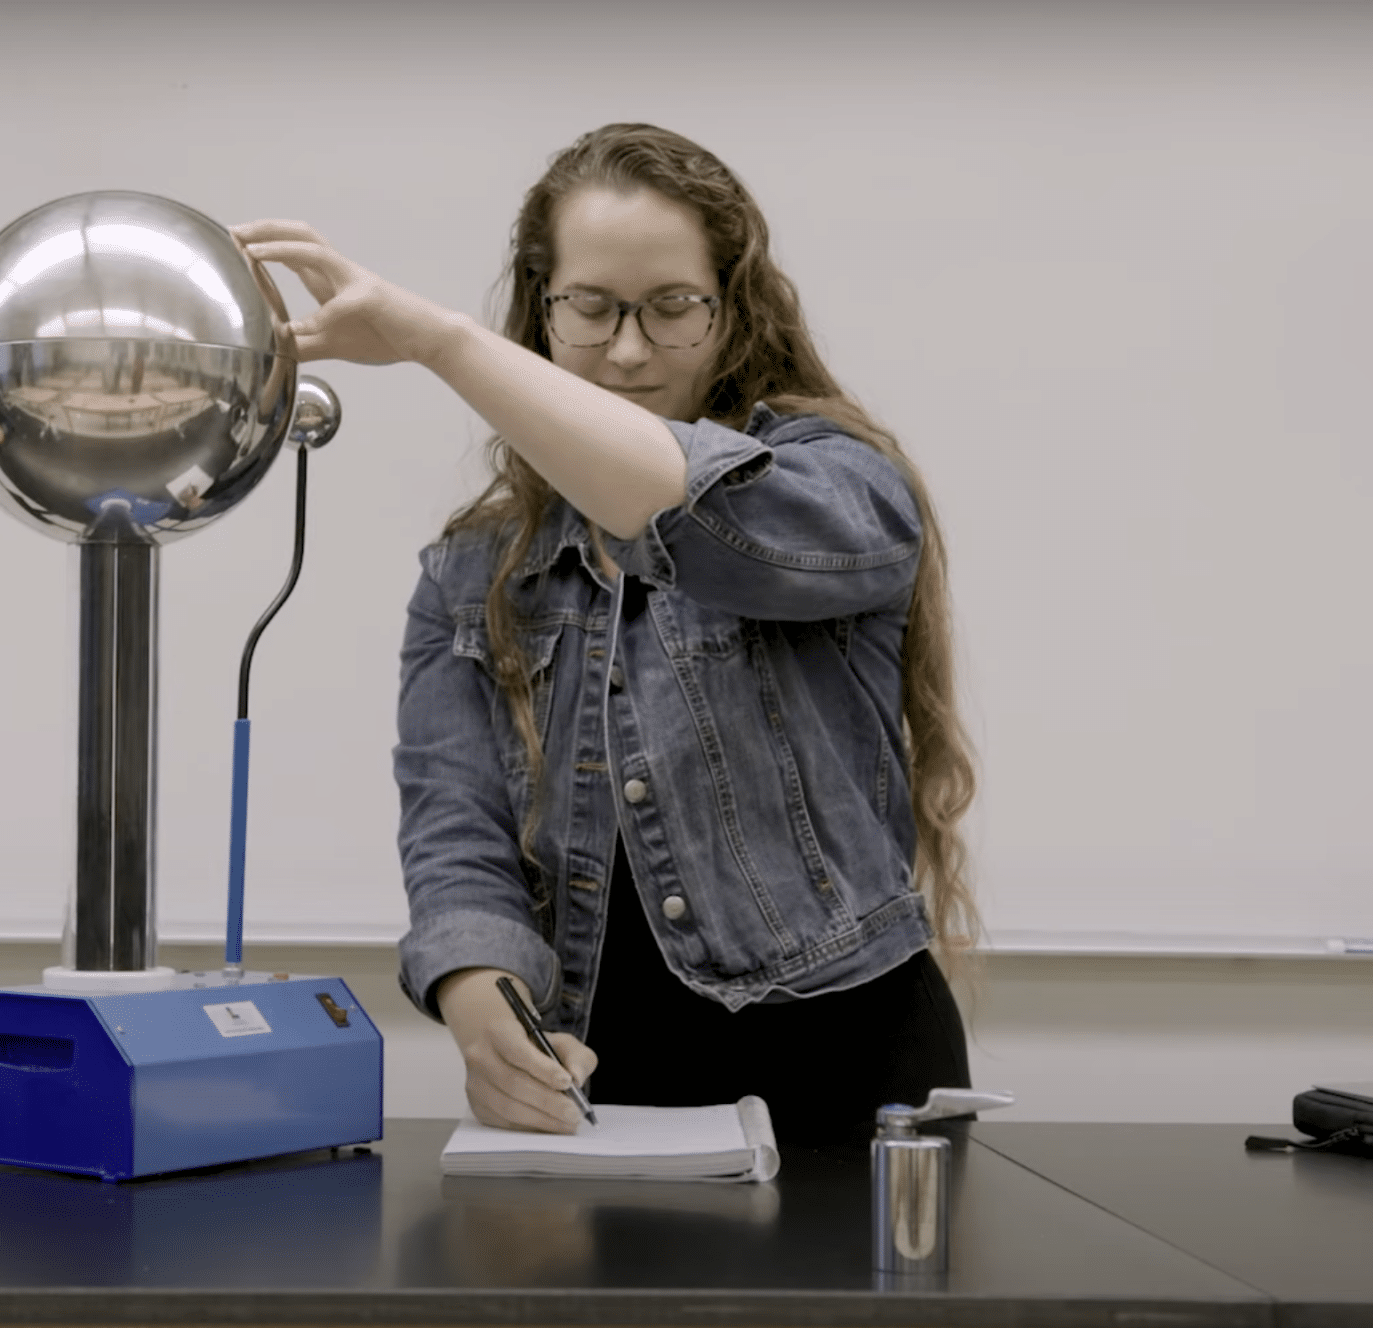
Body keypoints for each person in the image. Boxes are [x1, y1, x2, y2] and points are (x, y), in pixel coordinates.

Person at [237, 123, 977, 1146]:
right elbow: (457, 831)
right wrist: (478, 996)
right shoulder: (469, 574)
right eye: (590, 307)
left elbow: (671, 505)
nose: (627, 349)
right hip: (598, 1080)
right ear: (543, 309)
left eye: (671, 307)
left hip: (846, 1071)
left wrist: (440, 341)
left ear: (731, 311)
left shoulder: (838, 488)